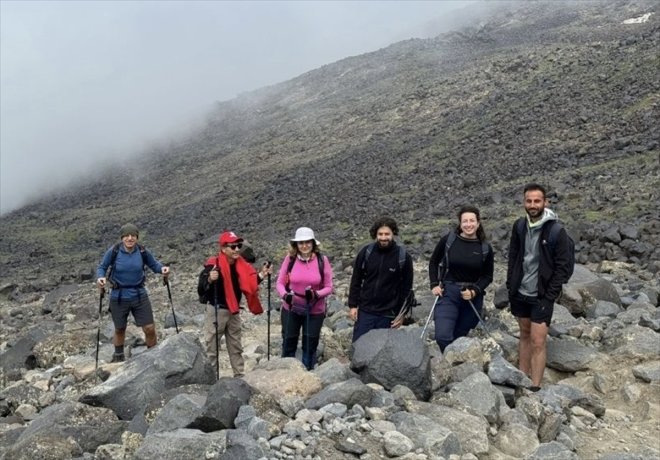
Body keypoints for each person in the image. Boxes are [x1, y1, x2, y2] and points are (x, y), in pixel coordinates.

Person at [506, 183, 573, 390]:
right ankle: (521, 380)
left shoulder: (556, 231)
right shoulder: (519, 226)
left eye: (537, 201)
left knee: (538, 340)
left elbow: (564, 267)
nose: (533, 205)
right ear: (524, 202)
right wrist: (511, 284)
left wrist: (550, 294)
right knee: (524, 335)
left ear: (546, 202)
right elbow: (514, 257)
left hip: (542, 294)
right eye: (529, 201)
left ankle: (534, 387)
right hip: (521, 291)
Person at [197, 230, 270, 378]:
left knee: (235, 345)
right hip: (216, 310)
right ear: (223, 248)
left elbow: (249, 283)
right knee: (212, 347)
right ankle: (212, 378)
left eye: (238, 245)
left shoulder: (241, 265)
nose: (237, 249)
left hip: (234, 311)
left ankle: (239, 375)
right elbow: (201, 288)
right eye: (233, 246)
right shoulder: (213, 265)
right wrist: (210, 279)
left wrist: (262, 275)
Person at [96, 223, 170, 362]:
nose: (130, 238)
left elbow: (154, 265)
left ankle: (152, 356)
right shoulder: (114, 251)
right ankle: (118, 358)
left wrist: (162, 269)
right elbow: (102, 267)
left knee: (149, 328)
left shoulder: (142, 251)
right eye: (126, 236)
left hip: (139, 294)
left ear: (137, 237)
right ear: (122, 237)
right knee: (120, 329)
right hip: (118, 296)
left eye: (133, 236)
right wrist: (100, 277)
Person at [428, 205, 494, 351]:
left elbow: (488, 276)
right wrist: (434, 284)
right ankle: (449, 361)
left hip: (472, 297)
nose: (468, 224)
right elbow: (433, 262)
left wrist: (475, 291)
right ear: (460, 223)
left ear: (478, 223)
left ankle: (454, 367)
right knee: (443, 336)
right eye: (465, 221)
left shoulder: (485, 248)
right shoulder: (448, 241)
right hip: (448, 293)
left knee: (459, 336)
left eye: (472, 221)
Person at [275, 227, 333, 370]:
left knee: (309, 345)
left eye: (308, 242)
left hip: (314, 310)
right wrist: (285, 296)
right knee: (289, 342)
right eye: (301, 243)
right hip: (291, 308)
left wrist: (316, 295)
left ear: (313, 243)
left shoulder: (322, 260)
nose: (304, 246)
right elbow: (280, 283)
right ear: (296, 245)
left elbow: (329, 286)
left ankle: (308, 374)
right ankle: (287, 373)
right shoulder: (290, 259)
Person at [348, 216, 414, 342]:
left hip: (388, 314)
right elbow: (356, 280)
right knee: (359, 348)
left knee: (383, 353)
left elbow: (407, 289)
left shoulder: (403, 257)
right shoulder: (366, 252)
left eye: (387, 234)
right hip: (366, 311)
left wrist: (401, 315)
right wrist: (353, 305)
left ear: (393, 233)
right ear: (375, 234)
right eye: (380, 234)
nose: (383, 238)